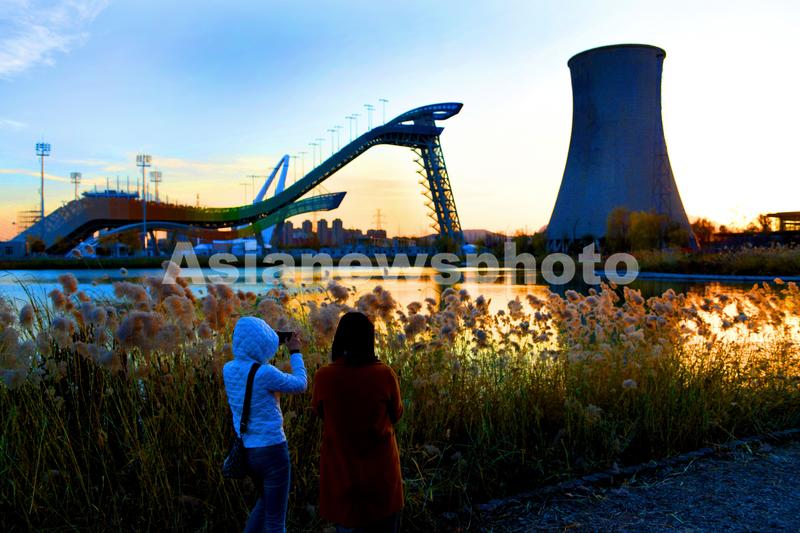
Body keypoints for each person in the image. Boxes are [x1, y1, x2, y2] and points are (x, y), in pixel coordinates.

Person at [311, 312, 404, 533]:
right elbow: (396, 414)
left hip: (342, 474)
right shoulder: (385, 374)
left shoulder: (324, 376)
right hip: (382, 476)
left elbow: (319, 413)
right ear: (369, 339)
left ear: (340, 338)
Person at [223, 316, 307, 533]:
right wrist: (295, 352)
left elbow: (252, 351)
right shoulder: (265, 373)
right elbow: (301, 384)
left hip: (248, 451)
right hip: (273, 451)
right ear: (262, 342)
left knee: (265, 504)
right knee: (276, 521)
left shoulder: (228, 369)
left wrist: (273, 338)